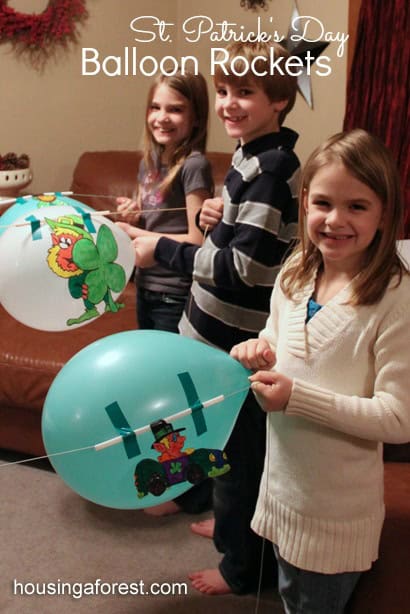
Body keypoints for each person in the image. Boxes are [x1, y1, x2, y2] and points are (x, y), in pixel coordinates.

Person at [127, 41, 301, 595]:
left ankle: (242, 568)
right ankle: (230, 526)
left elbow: (241, 270)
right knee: (222, 447)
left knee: (241, 457)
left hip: (236, 345)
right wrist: (217, 217)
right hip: (213, 339)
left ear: (279, 100)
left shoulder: (272, 167)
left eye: (244, 92)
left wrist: (162, 249)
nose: (228, 103)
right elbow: (235, 240)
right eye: (224, 91)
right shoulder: (250, 156)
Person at [230, 129, 410, 613]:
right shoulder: (295, 272)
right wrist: (259, 349)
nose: (335, 220)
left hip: (335, 514)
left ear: (384, 213)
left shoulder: (396, 299)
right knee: (290, 596)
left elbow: (398, 418)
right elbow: (277, 339)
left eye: (357, 207)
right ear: (305, 201)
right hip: (284, 490)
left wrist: (296, 398)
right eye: (324, 203)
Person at [117, 71, 214, 516]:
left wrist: (134, 234)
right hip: (147, 291)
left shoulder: (194, 165)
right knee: (153, 391)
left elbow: (197, 240)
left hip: (176, 295)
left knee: (175, 398)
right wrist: (134, 215)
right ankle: (167, 478)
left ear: (195, 118)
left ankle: (188, 493)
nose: (162, 117)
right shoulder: (150, 162)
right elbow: (158, 222)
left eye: (175, 109)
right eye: (156, 107)